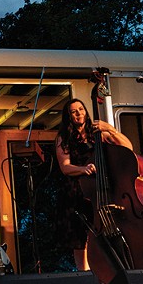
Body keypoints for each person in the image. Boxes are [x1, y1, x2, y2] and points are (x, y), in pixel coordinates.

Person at [54, 97, 133, 271]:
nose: (78, 114)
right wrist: (83, 168)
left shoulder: (97, 133)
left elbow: (128, 148)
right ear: (69, 116)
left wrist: (110, 129)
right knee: (80, 237)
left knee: (106, 229)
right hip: (77, 191)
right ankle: (85, 272)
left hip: (101, 190)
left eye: (81, 109)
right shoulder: (63, 138)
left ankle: (115, 269)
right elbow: (65, 167)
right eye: (73, 111)